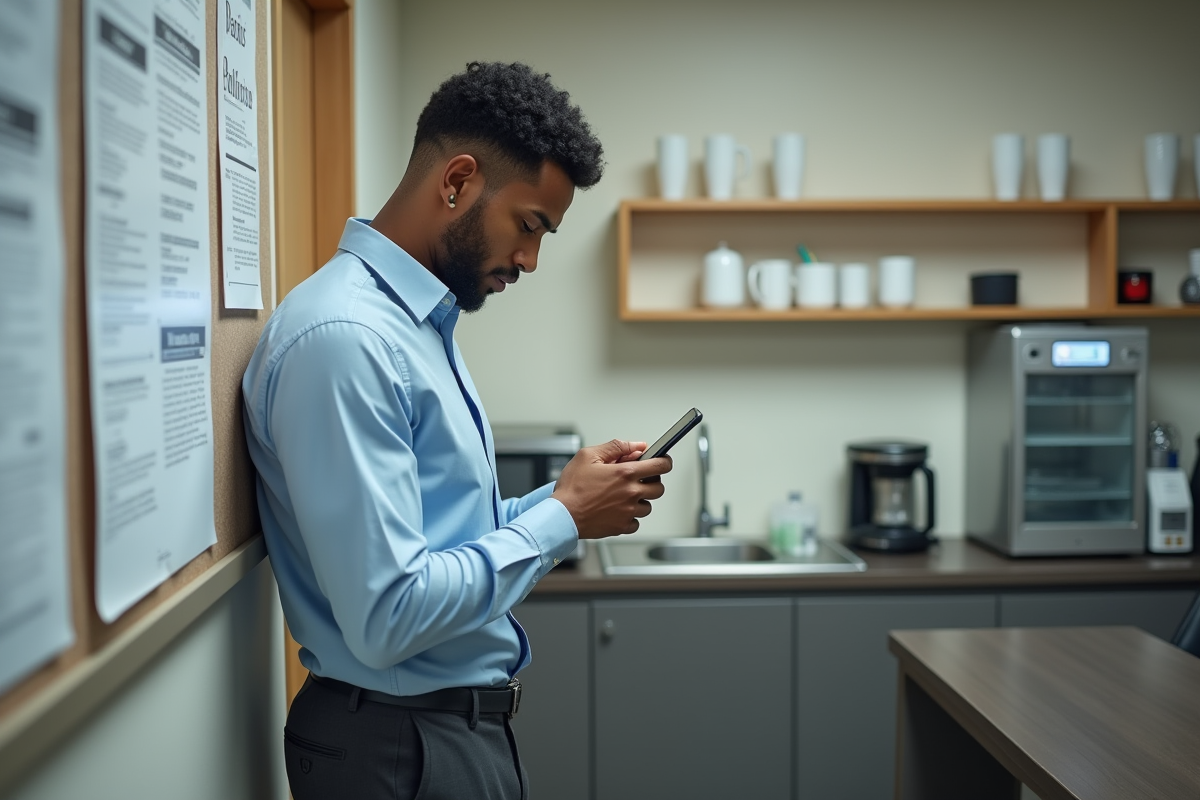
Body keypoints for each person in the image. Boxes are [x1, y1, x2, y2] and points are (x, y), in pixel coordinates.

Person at [242, 61, 672, 800]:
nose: (531, 261)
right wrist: (562, 520)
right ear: (458, 182)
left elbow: (442, 537)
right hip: (396, 744)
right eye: (530, 226)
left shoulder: (417, 328)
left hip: (444, 732)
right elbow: (388, 613)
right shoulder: (345, 339)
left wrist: (566, 499)